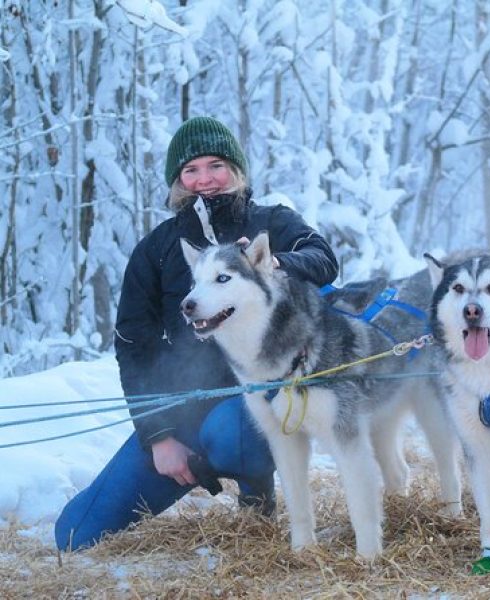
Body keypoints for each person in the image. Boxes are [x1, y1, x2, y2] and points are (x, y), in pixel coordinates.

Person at [55, 116, 338, 551]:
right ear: (177, 180)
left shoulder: (270, 222)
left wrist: (272, 265)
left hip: (258, 397)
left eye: (216, 165)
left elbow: (323, 260)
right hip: (183, 410)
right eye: (191, 170)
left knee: (236, 438)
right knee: (75, 535)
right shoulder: (157, 249)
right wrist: (159, 436)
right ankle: (192, 455)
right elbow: (133, 347)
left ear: (237, 170)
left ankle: (256, 495)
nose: (204, 179)